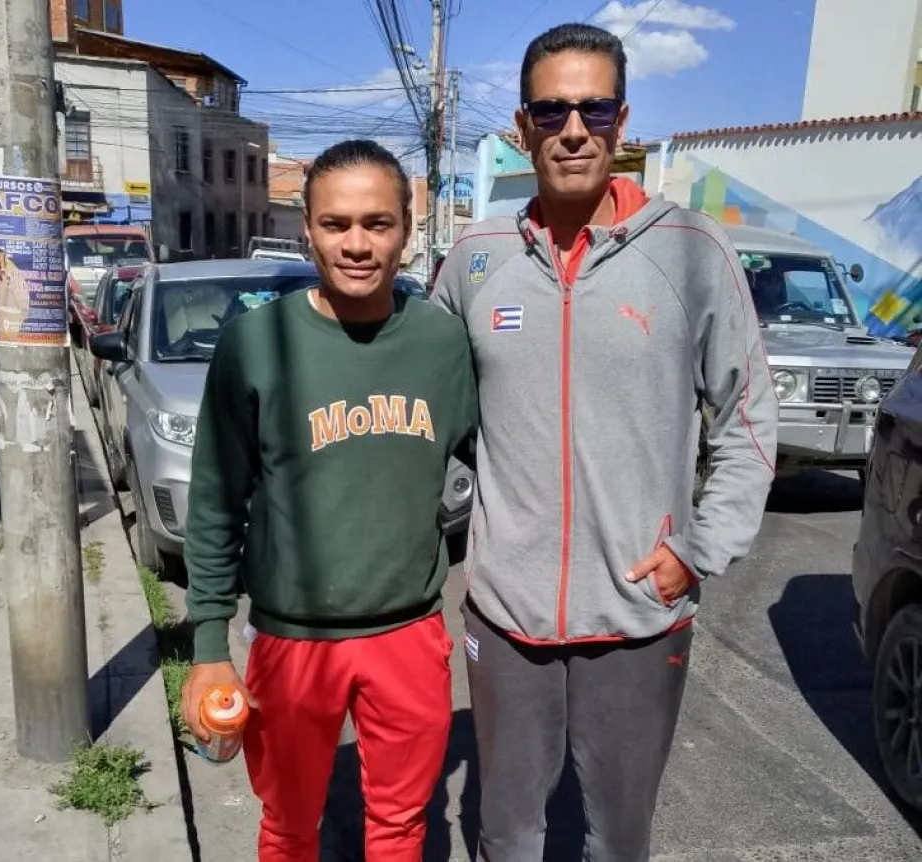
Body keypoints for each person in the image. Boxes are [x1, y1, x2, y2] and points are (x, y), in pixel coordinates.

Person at [431, 23, 778, 862]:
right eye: (553, 111)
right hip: (507, 618)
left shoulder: (692, 252)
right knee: (506, 834)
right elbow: (430, 416)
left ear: (623, 123)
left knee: (618, 839)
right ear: (523, 127)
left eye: (594, 107)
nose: (574, 128)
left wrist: (695, 549)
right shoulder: (474, 261)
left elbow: (748, 419)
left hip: (638, 614)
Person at [180, 139, 478, 862]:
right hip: (292, 639)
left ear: (407, 232)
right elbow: (216, 501)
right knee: (287, 829)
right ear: (306, 228)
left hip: (408, 636)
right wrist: (210, 648)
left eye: (377, 223)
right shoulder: (257, 343)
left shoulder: (443, 343)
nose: (356, 244)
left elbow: (490, 470)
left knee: (403, 829)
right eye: (336, 224)